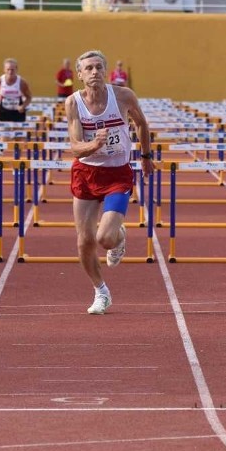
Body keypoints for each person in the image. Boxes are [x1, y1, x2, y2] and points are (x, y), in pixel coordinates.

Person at [65, 50, 155, 314]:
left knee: (104, 238)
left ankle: (117, 235)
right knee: (84, 241)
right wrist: (94, 144)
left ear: (105, 71)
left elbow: (141, 124)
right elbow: (75, 146)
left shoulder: (124, 96)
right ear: (79, 75)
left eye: (98, 67)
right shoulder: (73, 103)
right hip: (86, 172)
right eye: (88, 68)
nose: (94, 72)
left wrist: (146, 155)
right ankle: (100, 292)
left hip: (117, 173)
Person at [0, 58, 32, 122]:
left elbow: (29, 97)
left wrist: (23, 106)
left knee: (19, 131)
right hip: (4, 111)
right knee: (4, 131)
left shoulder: (22, 82)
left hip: (18, 112)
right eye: (8, 69)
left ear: (16, 69)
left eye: (12, 70)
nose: (10, 72)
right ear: (4, 69)